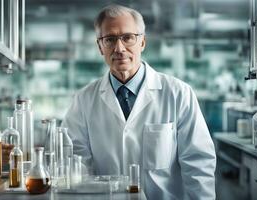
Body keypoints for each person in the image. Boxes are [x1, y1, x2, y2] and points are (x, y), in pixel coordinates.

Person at [62, 4, 216, 200]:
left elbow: (198, 163)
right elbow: (76, 162)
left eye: (128, 37)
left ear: (142, 42)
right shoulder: (83, 100)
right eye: (109, 39)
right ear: (100, 46)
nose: (119, 48)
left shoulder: (178, 94)